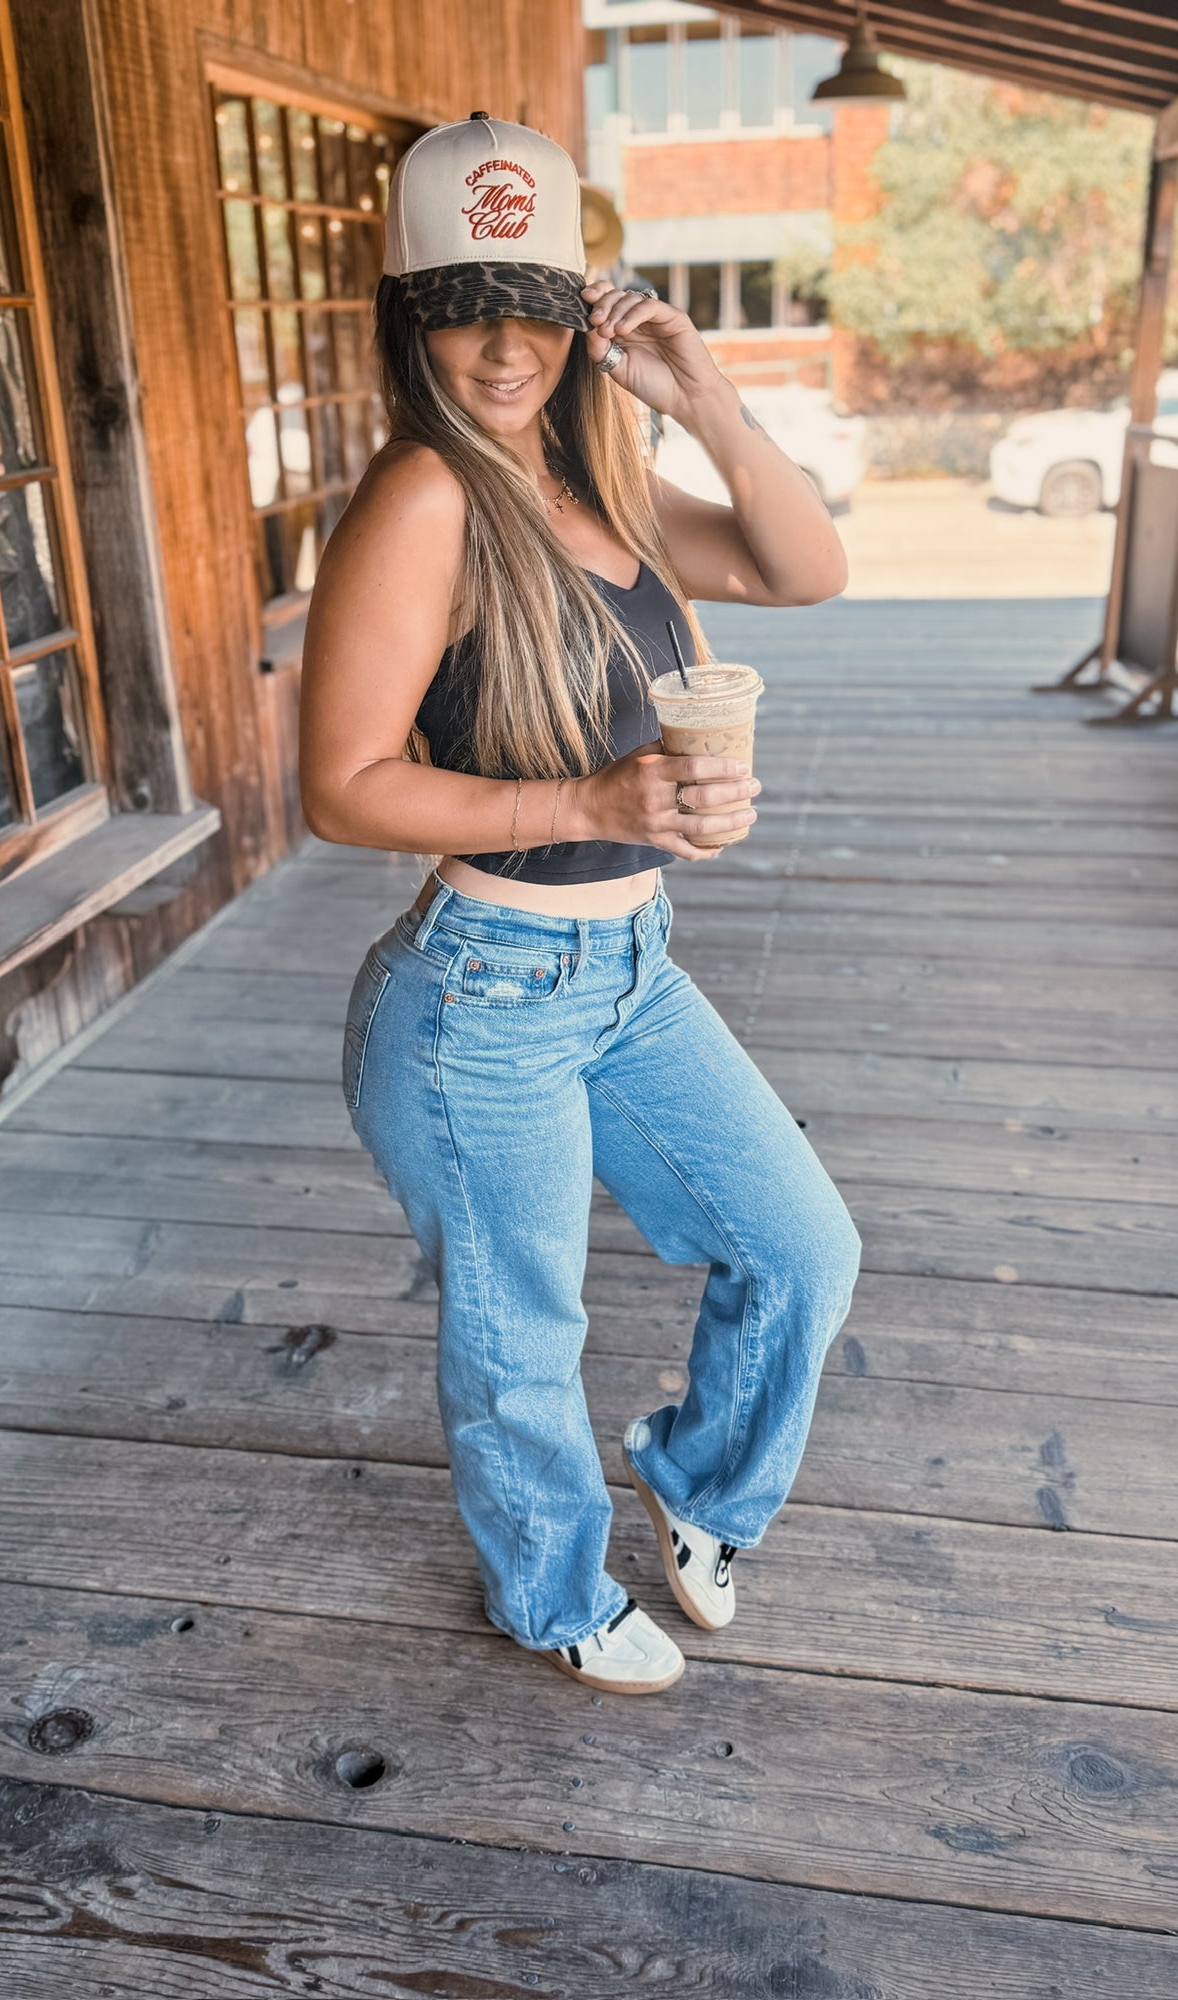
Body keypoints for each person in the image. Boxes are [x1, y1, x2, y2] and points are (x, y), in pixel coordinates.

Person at [300, 113, 861, 1696]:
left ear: (577, 308)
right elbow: (343, 784)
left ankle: (698, 1489)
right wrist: (593, 806)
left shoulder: (596, 471)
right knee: (518, 1339)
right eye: (463, 305)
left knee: (803, 1252)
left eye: (533, 302)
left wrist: (710, 403)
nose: (500, 345)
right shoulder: (426, 501)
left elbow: (806, 569)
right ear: (413, 314)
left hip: (629, 967)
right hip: (481, 995)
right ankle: (549, 1594)